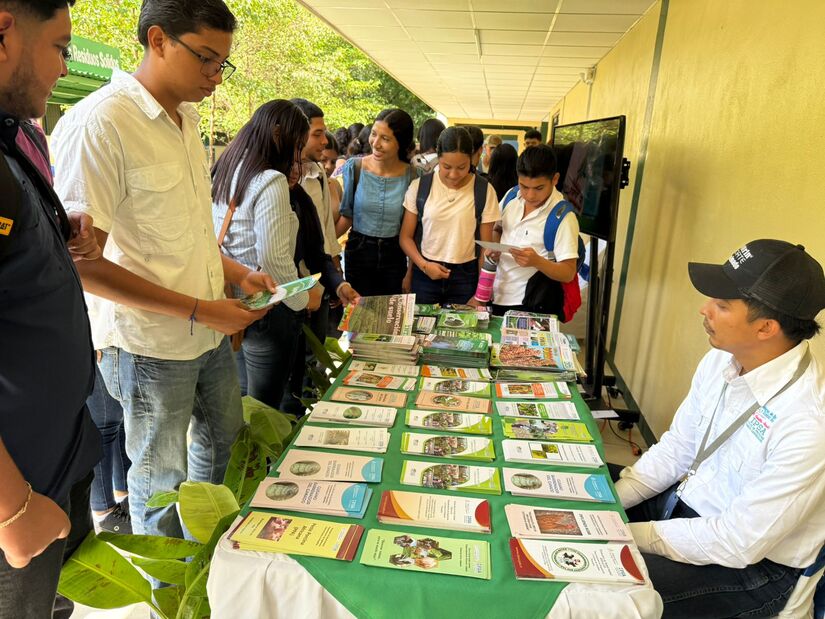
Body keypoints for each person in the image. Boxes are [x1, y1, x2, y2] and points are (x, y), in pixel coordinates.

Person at [52, 0, 273, 539]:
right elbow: (83, 268)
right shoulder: (102, 123)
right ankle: (171, 597)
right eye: (205, 58)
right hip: (150, 345)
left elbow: (188, 238)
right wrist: (203, 309)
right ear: (157, 41)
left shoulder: (186, 120)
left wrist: (238, 274)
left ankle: (209, 564)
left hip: (206, 331)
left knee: (224, 446)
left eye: (223, 62)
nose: (215, 75)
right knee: (161, 485)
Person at [612, 239, 825, 618]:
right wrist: (610, 501)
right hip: (683, 508)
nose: (704, 309)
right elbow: (678, 446)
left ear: (765, 328)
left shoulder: (809, 422)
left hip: (752, 569)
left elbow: (738, 541)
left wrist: (624, 533)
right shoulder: (721, 359)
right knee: (574, 493)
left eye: (722, 305)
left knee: (601, 583)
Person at [0, 1, 103, 616]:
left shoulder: (12, 140)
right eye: (61, 47)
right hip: (17, 491)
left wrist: (51, 231)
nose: (65, 67)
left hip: (55, 460)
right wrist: (12, 511)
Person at [212, 100, 358, 411]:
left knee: (242, 405)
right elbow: (275, 259)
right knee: (268, 410)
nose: (297, 157)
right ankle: (267, 461)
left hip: (233, 304)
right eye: (297, 144)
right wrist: (304, 300)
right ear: (279, 135)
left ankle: (251, 461)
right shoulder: (271, 180)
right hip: (269, 308)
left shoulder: (229, 169)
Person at [400, 127, 500, 305]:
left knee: (463, 330)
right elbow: (406, 237)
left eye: (462, 167)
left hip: (465, 277)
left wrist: (481, 294)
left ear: (471, 159)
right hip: (425, 274)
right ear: (438, 158)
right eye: (446, 167)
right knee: (422, 330)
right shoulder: (420, 187)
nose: (454, 175)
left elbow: (486, 248)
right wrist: (423, 266)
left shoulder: (484, 190)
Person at [487, 144, 579, 317]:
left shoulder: (563, 217)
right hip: (497, 293)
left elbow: (568, 273)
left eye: (538, 188)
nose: (530, 195)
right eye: (524, 186)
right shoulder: (512, 195)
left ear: (555, 179)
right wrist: (495, 246)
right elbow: (498, 228)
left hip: (531, 305)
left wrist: (537, 261)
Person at [336, 109, 417, 296]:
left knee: (390, 319)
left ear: (401, 143)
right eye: (374, 134)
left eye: (385, 139)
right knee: (358, 317)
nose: (376, 143)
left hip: (395, 256)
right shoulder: (354, 168)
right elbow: (346, 216)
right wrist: (325, 250)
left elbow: (414, 231)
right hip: (358, 252)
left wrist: (411, 271)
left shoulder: (413, 176)